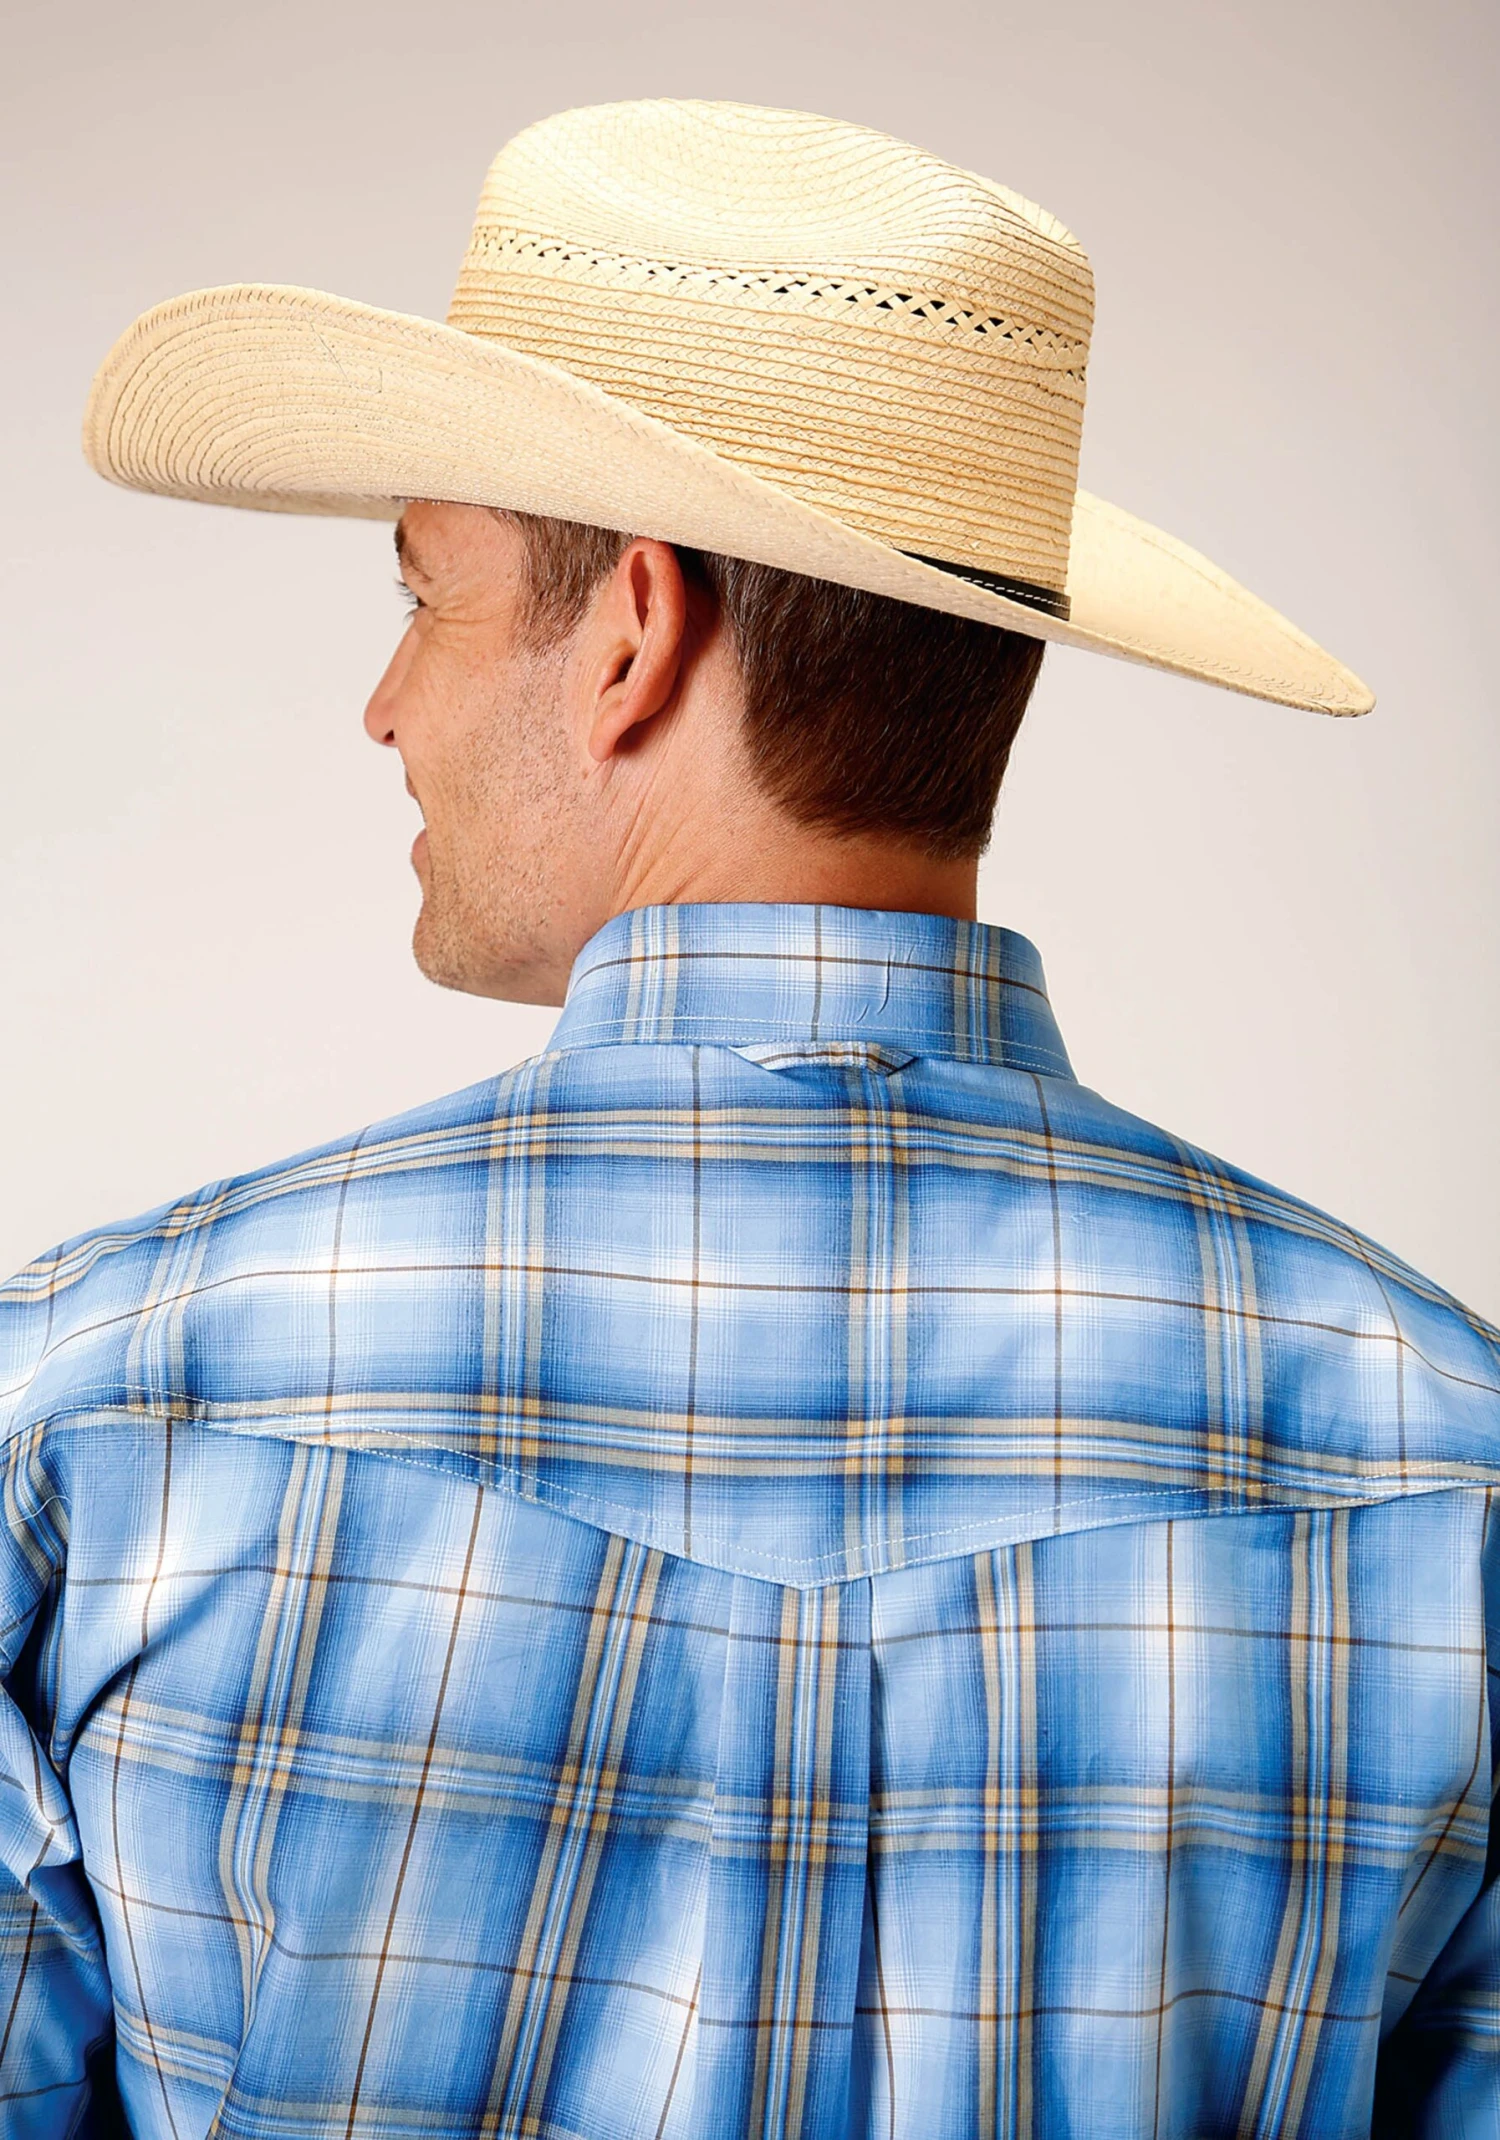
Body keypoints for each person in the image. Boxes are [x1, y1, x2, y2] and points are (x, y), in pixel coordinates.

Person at [2, 97, 1496, 2140]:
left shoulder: (95, 1403)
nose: (386, 703)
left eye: (424, 595)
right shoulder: (1440, 1459)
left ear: (634, 627)